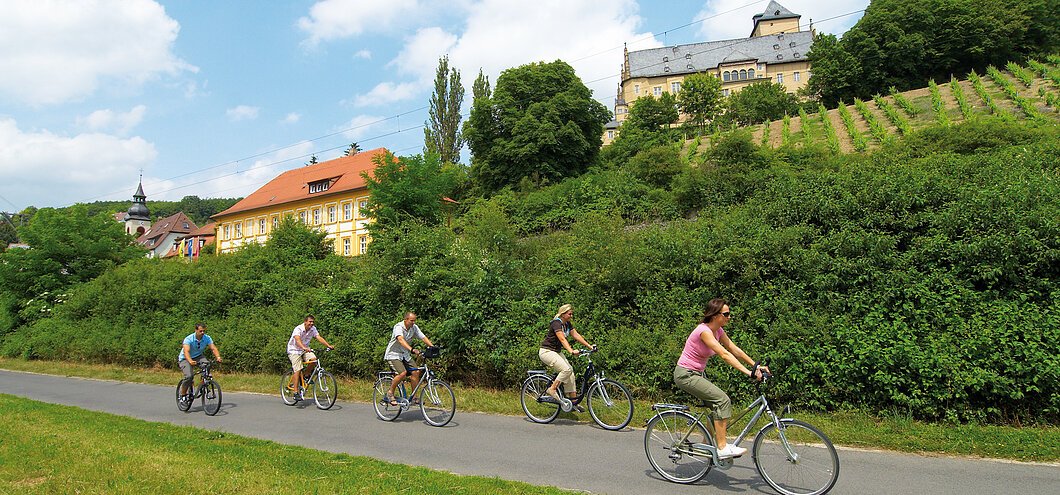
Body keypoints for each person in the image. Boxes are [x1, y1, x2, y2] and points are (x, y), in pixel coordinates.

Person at [674, 298, 769, 458]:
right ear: (715, 315)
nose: (729, 317)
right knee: (722, 400)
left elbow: (733, 348)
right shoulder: (703, 331)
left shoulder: (717, 330)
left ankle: (705, 445)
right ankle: (722, 447)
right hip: (685, 374)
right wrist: (748, 373)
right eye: (726, 314)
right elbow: (724, 354)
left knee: (715, 409)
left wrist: (756, 366)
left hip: (696, 374)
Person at [538, 303, 594, 412]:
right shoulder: (556, 323)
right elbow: (562, 339)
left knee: (570, 373)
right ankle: (552, 389)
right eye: (570, 314)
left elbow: (576, 335)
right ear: (563, 314)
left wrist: (589, 346)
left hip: (556, 352)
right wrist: (571, 351)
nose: (571, 316)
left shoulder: (567, 324)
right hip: (546, 352)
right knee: (566, 369)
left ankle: (573, 402)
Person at [383, 312, 435, 406]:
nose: (413, 323)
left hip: (405, 355)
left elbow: (423, 337)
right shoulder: (398, 327)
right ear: (406, 320)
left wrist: (433, 347)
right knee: (402, 373)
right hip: (394, 355)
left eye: (414, 321)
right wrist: (412, 349)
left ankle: (414, 397)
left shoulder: (414, 327)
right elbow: (400, 340)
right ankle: (390, 393)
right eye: (411, 320)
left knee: (416, 372)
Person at [286, 315, 334, 399]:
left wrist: (328, 345)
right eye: (310, 322)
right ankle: (295, 392)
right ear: (305, 322)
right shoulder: (298, 329)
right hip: (294, 350)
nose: (311, 323)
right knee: (297, 369)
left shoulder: (313, 329)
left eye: (312, 322)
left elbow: (318, 337)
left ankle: (306, 375)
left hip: (305, 350)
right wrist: (303, 347)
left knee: (314, 360)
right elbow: (297, 340)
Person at [178, 323, 222, 401]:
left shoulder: (207, 338)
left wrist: (218, 357)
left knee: (207, 364)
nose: (202, 333)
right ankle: (183, 394)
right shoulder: (189, 339)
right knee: (189, 377)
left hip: (198, 356)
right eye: (200, 331)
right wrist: (190, 361)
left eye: (204, 331)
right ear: (196, 330)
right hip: (185, 358)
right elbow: (186, 351)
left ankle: (203, 381)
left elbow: (213, 348)